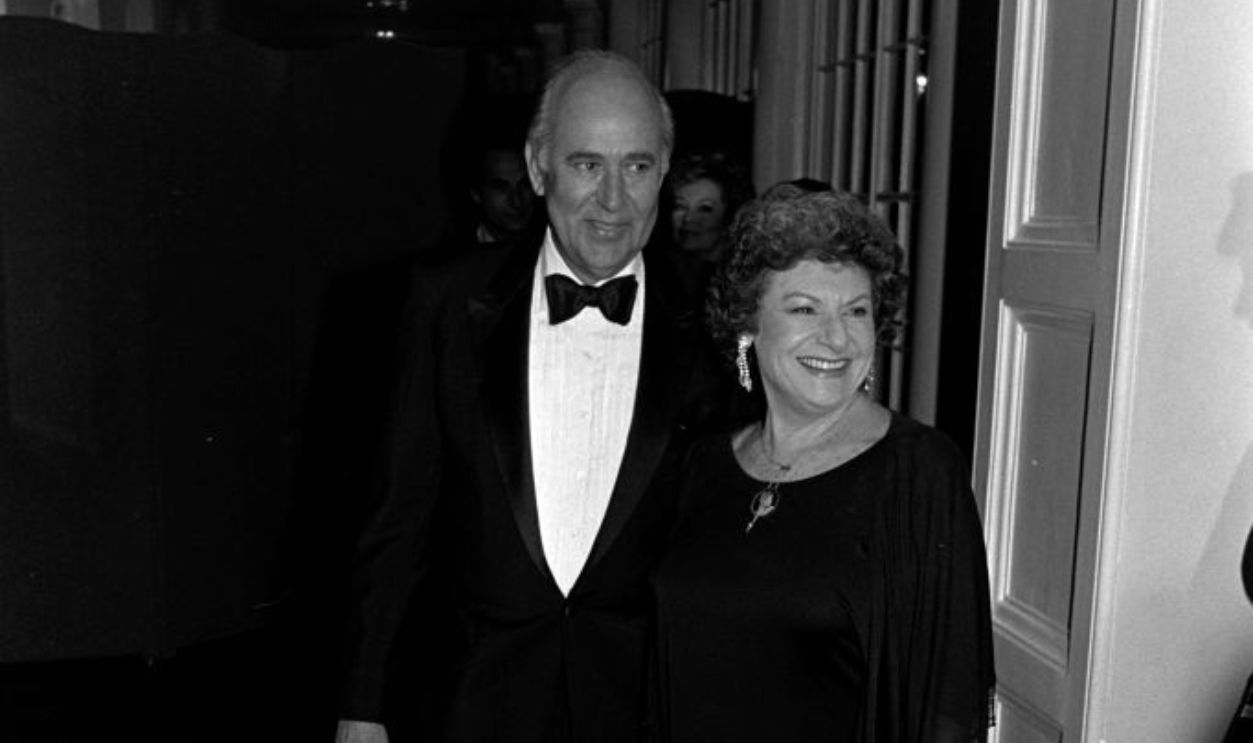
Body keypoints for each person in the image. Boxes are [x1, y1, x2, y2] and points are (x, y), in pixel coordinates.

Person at [335, 50, 724, 743]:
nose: (612, 199)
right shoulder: (445, 302)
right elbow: (396, 522)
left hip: (641, 708)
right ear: (537, 166)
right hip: (468, 700)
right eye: (585, 165)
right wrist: (361, 706)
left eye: (636, 166)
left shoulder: (713, 319)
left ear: (663, 172)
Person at [652, 189, 995, 741]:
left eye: (856, 311)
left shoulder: (917, 472)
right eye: (804, 308)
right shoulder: (704, 464)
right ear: (747, 325)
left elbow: (947, 706)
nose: (836, 337)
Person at [665, 151, 754, 265]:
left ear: (730, 216)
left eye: (705, 208)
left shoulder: (748, 275)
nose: (688, 218)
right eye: (680, 206)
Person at [466, 140, 538, 245]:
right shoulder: (455, 256)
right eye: (501, 188)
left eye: (524, 184)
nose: (516, 201)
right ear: (476, 193)